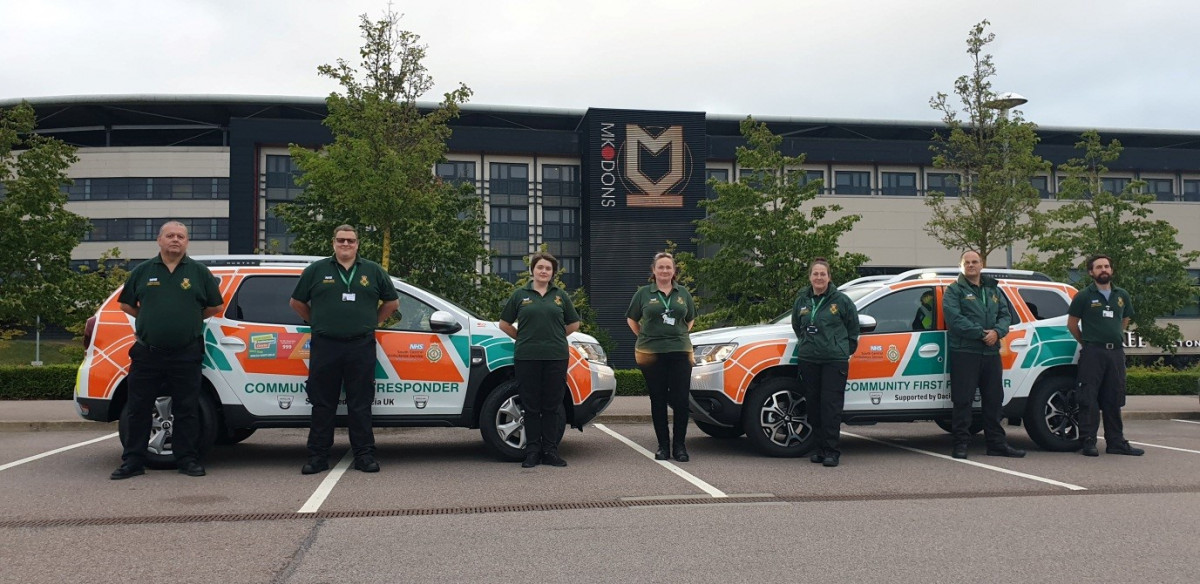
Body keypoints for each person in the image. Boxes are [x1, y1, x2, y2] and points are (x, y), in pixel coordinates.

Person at [111, 221, 224, 480]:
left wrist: (191, 318)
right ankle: (133, 461)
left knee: (187, 408)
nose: (176, 240)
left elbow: (215, 307)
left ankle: (187, 459)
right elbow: (126, 304)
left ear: (187, 242)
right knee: (138, 408)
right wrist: (148, 318)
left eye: (181, 236)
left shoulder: (198, 272)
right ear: (159, 240)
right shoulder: (142, 271)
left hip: (186, 352)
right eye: (170, 236)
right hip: (147, 352)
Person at [290, 225, 399, 475]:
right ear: (333, 243)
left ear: (357, 244)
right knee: (322, 403)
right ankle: (317, 457)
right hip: (325, 345)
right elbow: (296, 302)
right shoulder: (316, 270)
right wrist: (316, 322)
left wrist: (373, 323)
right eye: (341, 240)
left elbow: (392, 302)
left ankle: (364, 455)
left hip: (360, 345)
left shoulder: (373, 270)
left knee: (360, 403)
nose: (346, 244)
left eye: (350, 240)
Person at [499, 252, 581, 468]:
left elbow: (574, 324)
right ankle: (533, 450)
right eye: (540, 267)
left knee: (552, 405)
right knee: (531, 405)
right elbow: (504, 324)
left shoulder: (560, 296)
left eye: (548, 268)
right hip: (527, 357)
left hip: (556, 356)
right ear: (532, 270)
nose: (544, 271)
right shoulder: (520, 295)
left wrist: (555, 336)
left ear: (552, 273)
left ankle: (551, 451)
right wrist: (523, 337)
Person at [942, 250, 1025, 459]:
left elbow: (1006, 315)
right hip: (965, 351)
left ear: (982, 264)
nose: (971, 265)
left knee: (994, 400)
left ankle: (996, 444)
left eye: (975, 262)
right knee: (963, 400)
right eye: (967, 262)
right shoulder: (954, 291)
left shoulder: (993, 289)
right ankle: (961, 444)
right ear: (961, 266)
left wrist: (997, 332)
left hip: (990, 352)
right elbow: (955, 319)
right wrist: (982, 334)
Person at [1067, 254, 1144, 457]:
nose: (1104, 270)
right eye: (1099, 267)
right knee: (1088, 397)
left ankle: (1116, 442)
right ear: (1091, 272)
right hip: (1093, 352)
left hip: (1116, 353)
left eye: (1107, 266)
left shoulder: (1122, 295)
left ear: (1112, 270)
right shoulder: (1084, 296)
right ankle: (1088, 441)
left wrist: (1116, 337)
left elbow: (1124, 319)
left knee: (1114, 397)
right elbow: (1072, 325)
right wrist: (1088, 343)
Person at [626, 252, 697, 462]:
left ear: (674, 271)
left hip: (680, 352)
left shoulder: (683, 293)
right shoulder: (643, 294)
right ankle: (663, 447)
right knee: (657, 399)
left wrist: (678, 335)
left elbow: (690, 319)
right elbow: (632, 319)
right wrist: (645, 335)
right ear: (654, 270)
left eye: (668, 267)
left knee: (681, 400)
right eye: (661, 267)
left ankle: (680, 447)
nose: (664, 271)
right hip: (652, 353)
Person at [791, 258, 859, 467]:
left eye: (823, 274)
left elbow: (853, 328)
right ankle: (819, 448)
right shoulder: (802, 300)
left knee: (830, 406)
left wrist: (843, 350)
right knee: (813, 405)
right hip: (809, 360)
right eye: (815, 274)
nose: (819, 277)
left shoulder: (841, 301)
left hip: (833, 361)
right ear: (810, 277)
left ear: (829, 277)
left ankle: (831, 451)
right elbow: (797, 325)